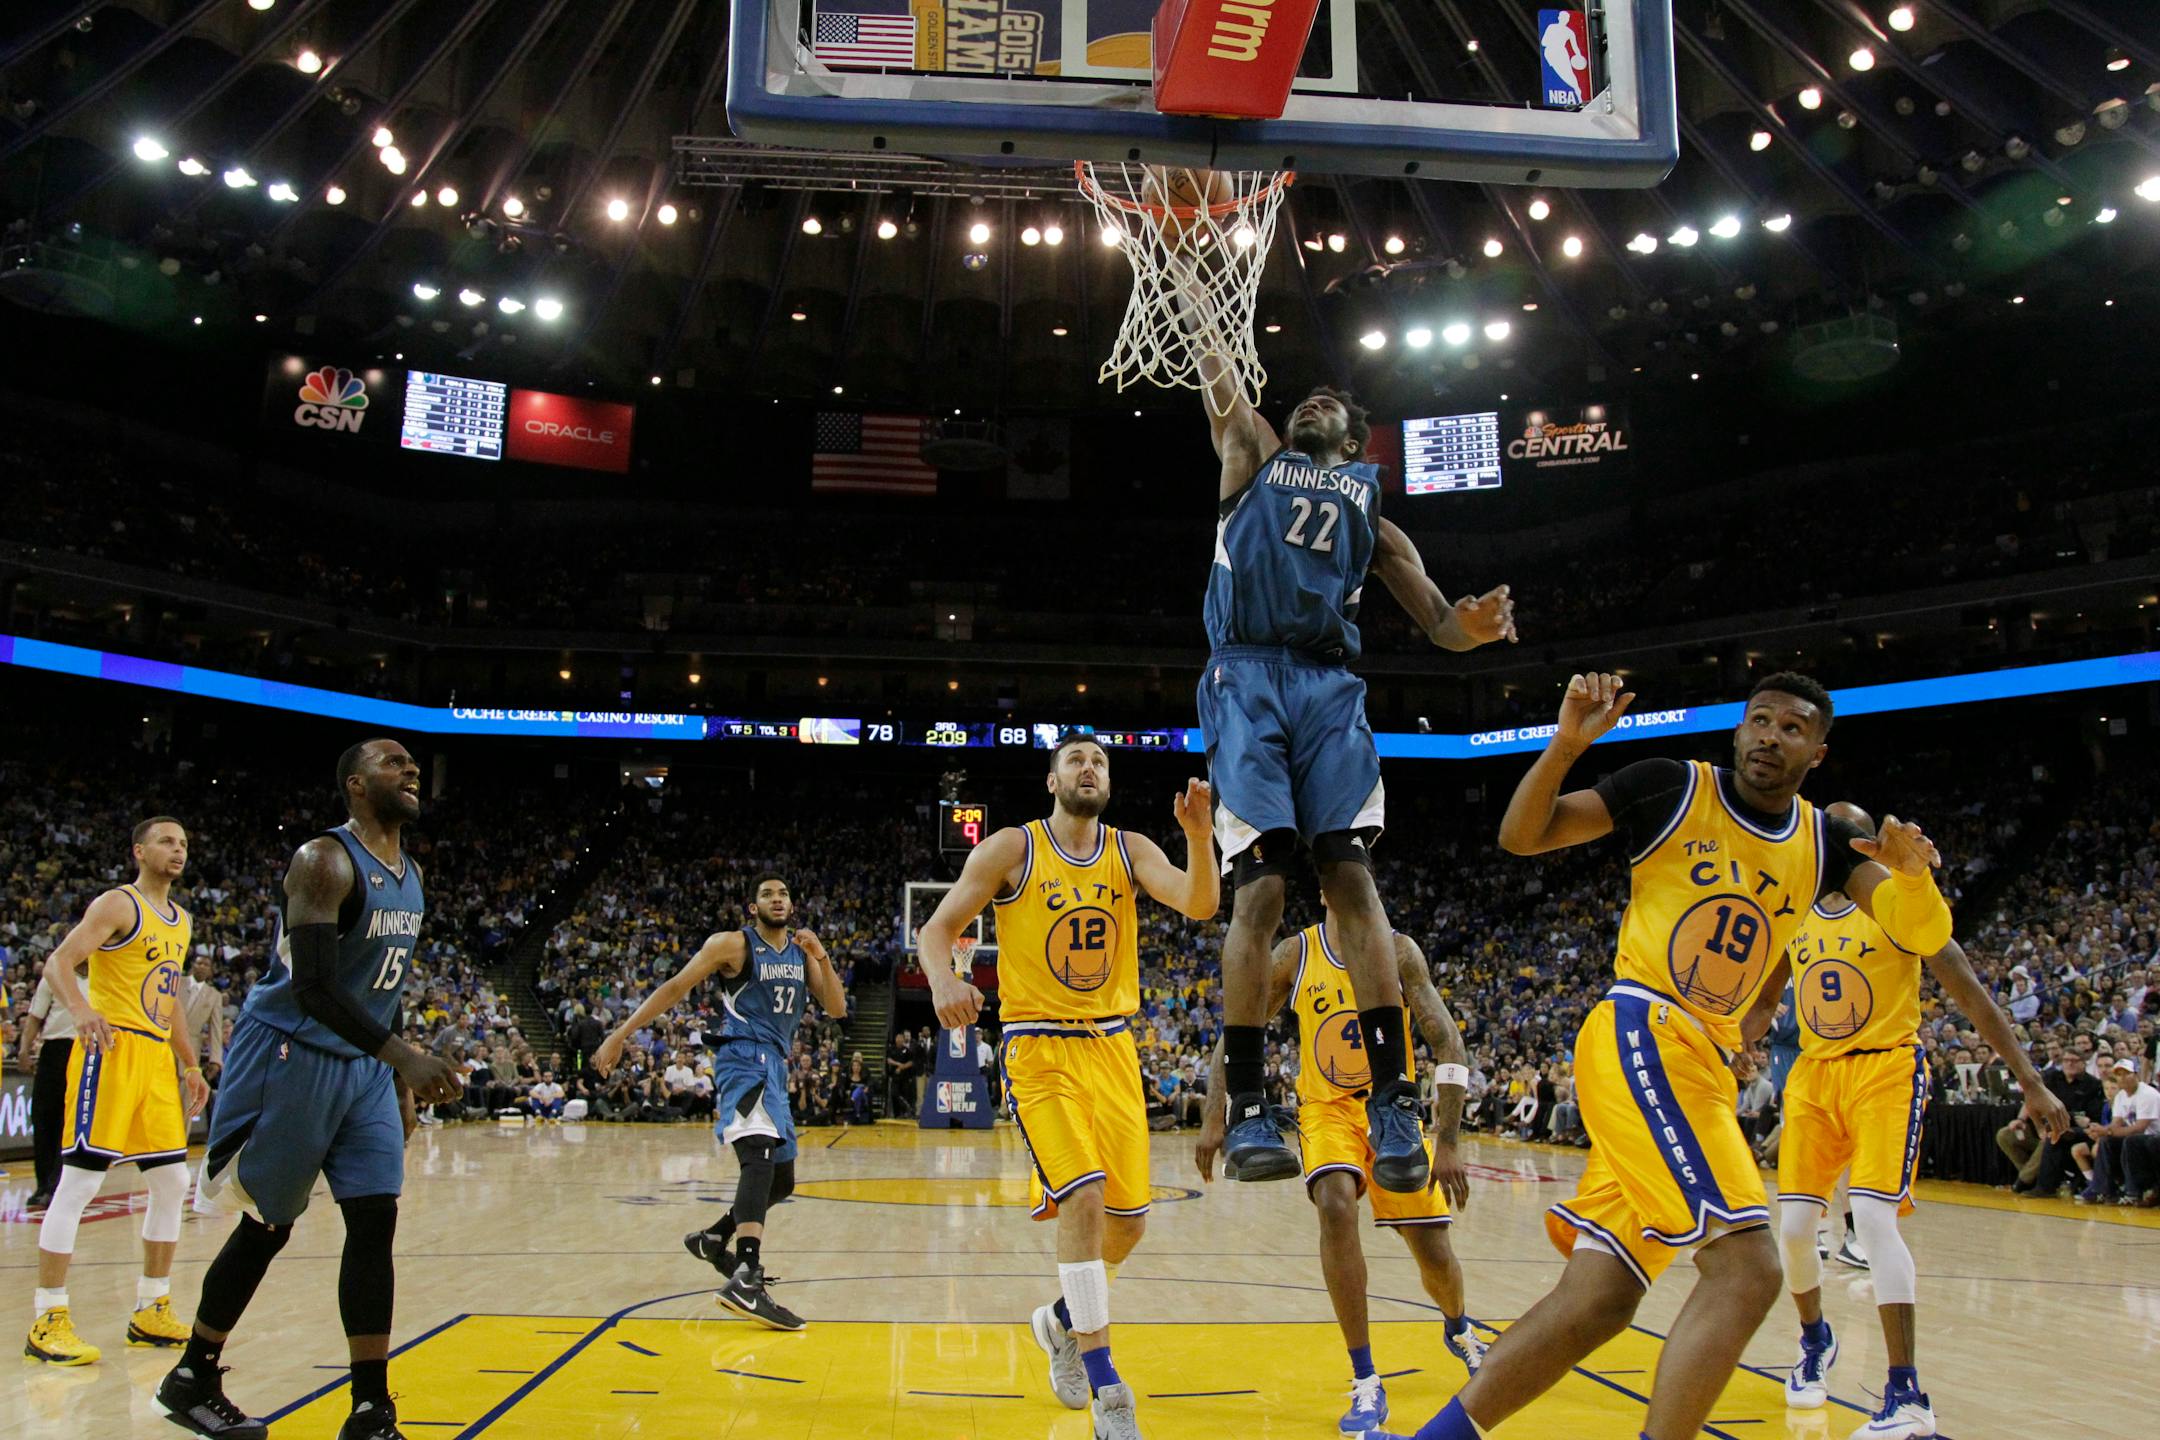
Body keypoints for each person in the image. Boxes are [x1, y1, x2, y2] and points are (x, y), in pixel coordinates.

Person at [1373, 672, 1961, 1440]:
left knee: (1600, 1300)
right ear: (1739, 729)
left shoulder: (1823, 841)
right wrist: (1565, 746)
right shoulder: (1673, 786)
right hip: (1644, 1031)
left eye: (1792, 729)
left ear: (1817, 752)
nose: (1770, 736)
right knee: (1749, 1268)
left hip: (1702, 1066)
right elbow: (1523, 835)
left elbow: (1919, 933)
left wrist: (1913, 880)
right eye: (1760, 720)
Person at [1193, 338, 1516, 1186]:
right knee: (1261, 891)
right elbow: (1222, 382)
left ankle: (1393, 1099)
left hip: (1330, 688)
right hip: (1246, 676)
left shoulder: (1375, 514)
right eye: (1303, 399)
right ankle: (1251, 1102)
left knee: (1353, 885)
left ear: (1354, 437)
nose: (1310, 404)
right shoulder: (1253, 454)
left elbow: (1440, 623)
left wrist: (1472, 628)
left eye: (1328, 402)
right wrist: (1192, 283)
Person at [156, 739, 464, 1440]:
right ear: (355, 784)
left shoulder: (411, 874)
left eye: (413, 764)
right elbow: (315, 988)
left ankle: (370, 1409)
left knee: (375, 1220)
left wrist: (396, 1077)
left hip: (364, 1064)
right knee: (268, 1225)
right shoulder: (323, 859)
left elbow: (383, 989)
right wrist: (404, 1057)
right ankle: (192, 1375)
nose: (412, 770)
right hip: (292, 1051)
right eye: (393, 762)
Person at [917, 733, 1219, 1440]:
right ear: (1052, 781)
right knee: (1082, 1194)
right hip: (1038, 1045)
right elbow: (936, 930)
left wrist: (1199, 837)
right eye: (1076, 761)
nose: (1090, 768)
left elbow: (1199, 903)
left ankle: (1060, 1320)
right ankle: (1106, 1383)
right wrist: (943, 979)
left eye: (1100, 762)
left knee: (1128, 1222)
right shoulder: (1012, 849)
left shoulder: (1130, 849)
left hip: (1113, 1045)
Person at [1744, 801, 2068, 1439]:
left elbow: (1969, 990)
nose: (1836, 844)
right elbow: (1764, 1000)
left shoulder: (1894, 906)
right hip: (1813, 1075)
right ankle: (1815, 1341)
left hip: (1886, 1069)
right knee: (1795, 1230)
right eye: (1829, 833)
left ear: (1869, 846)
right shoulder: (1794, 911)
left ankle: (1906, 1393)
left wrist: (2031, 1082)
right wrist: (1728, 1036)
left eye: (1849, 835)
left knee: (1871, 1219)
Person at [1198, 909, 1486, 1433]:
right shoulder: (1295, 954)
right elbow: (1237, 1030)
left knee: (1435, 1254)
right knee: (1334, 1205)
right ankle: (1366, 1377)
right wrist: (1216, 1110)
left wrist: (1448, 1142)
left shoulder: (1398, 950)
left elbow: (1448, 1042)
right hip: (1326, 1111)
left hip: (1393, 1112)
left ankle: (1459, 1326)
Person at [592, 874, 847, 1332]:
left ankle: (714, 1238)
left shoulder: (801, 953)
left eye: (783, 894)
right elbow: (675, 987)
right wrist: (620, 1034)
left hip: (776, 1066)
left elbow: (837, 1008)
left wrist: (822, 957)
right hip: (744, 1058)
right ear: (753, 907)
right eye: (767, 894)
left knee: (782, 1181)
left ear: (792, 905)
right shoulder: (732, 944)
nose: (776, 899)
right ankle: (747, 1275)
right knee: (758, 1157)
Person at [25, 817, 212, 1366]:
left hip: (154, 1058)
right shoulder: (118, 904)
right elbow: (58, 962)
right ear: (139, 851)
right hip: (110, 1051)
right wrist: (81, 1010)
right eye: (166, 841)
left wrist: (189, 1064)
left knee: (172, 1180)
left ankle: (151, 1308)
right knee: (80, 1182)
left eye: (184, 843)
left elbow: (168, 1000)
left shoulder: (182, 920)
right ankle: (47, 1317)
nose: (178, 850)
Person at [18, 966, 79, 1207]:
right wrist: (24, 1049)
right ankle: (43, 1184)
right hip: (53, 1049)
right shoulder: (54, 974)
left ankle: (56, 1186)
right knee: (43, 1117)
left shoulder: (105, 974)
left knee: (70, 1121)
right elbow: (35, 1017)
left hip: (85, 1048)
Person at [2078, 1058, 2157, 1204]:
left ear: (2136, 1074)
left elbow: (2140, 1128)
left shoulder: (2147, 1094)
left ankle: (2133, 1192)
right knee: (2106, 1141)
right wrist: (2100, 1130)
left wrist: (2108, 1132)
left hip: (2153, 1139)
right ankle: (2103, 1190)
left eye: (2126, 1073)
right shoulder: (2121, 1096)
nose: (2123, 1078)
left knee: (2131, 1140)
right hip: (2136, 1140)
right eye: (2119, 1075)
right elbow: (2116, 1124)